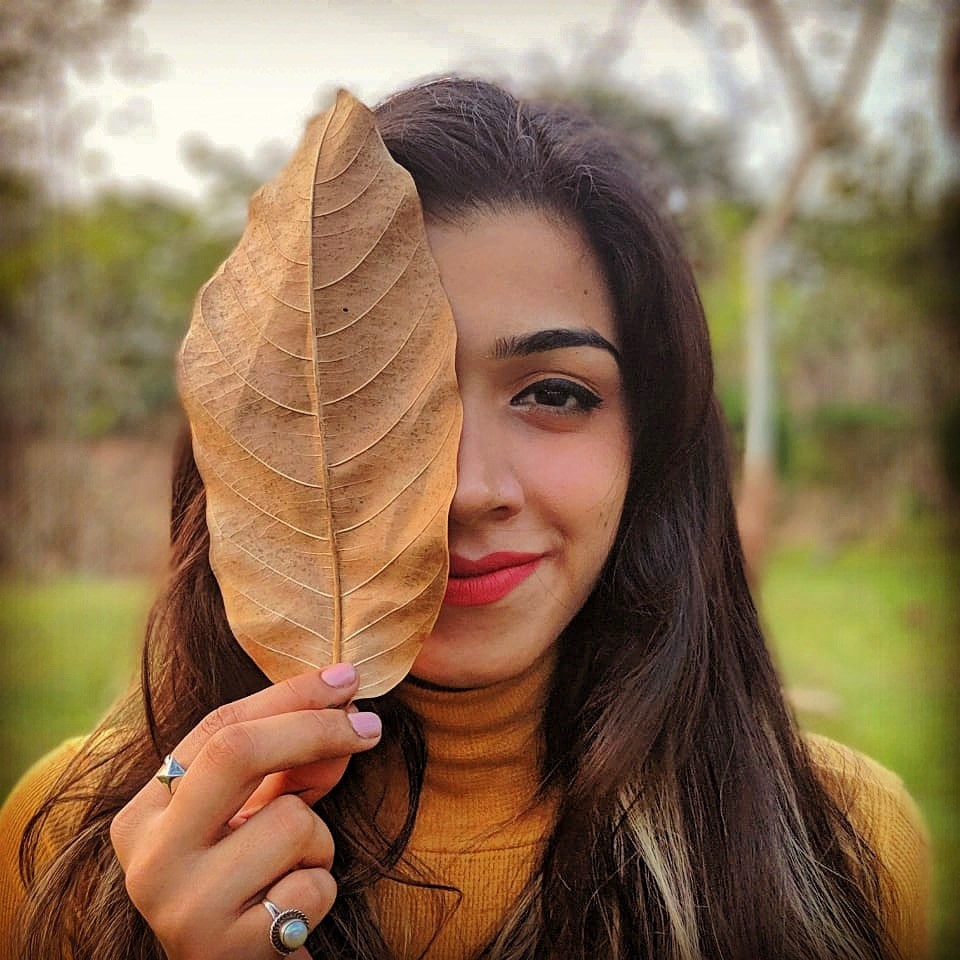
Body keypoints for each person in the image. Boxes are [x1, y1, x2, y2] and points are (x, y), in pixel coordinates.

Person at [0, 77, 929, 960]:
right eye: (385, 402)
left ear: (648, 444)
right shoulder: (65, 850)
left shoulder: (844, 844)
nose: (466, 489)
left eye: (553, 393)